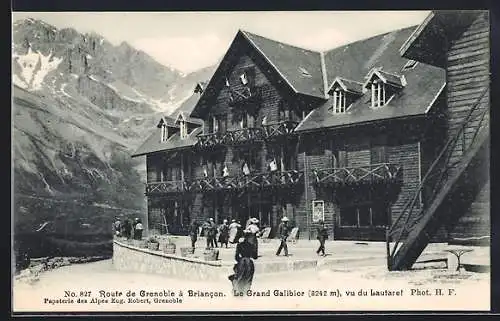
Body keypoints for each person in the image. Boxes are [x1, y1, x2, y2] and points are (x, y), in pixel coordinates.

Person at [228, 229, 258, 296]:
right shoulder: (251, 245)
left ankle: (237, 292)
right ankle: (246, 294)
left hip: (242, 262)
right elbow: (255, 256)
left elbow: (236, 256)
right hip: (249, 262)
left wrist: (240, 261)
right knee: (248, 280)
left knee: (239, 278)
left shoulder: (239, 245)